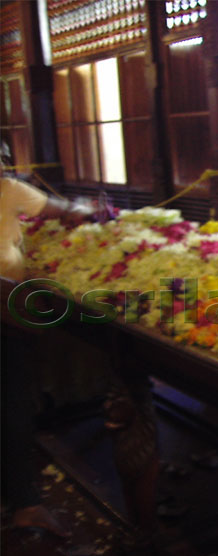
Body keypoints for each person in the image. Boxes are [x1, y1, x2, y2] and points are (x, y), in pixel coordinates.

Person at [1, 169, 94, 537]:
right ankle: (25, 503)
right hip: (3, 307)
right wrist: (84, 208)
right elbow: (63, 210)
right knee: (14, 400)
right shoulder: (7, 189)